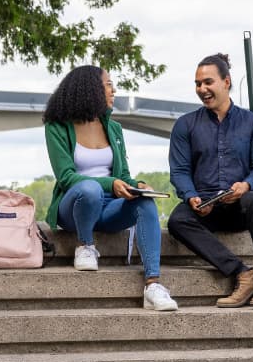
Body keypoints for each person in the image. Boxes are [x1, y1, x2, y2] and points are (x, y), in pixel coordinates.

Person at [43, 65, 178, 311]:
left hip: (109, 208)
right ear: (91, 89)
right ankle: (86, 246)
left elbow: (122, 174)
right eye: (108, 84)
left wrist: (136, 186)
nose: (113, 90)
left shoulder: (114, 128)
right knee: (90, 189)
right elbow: (66, 177)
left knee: (145, 203)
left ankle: (153, 286)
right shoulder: (57, 126)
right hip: (74, 207)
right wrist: (110, 184)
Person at [167, 53, 253, 309]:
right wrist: (191, 196)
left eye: (208, 82)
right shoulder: (185, 125)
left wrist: (246, 185)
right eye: (198, 84)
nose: (202, 89)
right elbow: (179, 171)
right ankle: (242, 273)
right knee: (178, 220)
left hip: (241, 205)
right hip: (206, 208)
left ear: (226, 82)